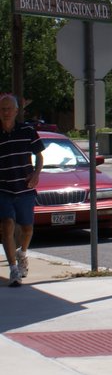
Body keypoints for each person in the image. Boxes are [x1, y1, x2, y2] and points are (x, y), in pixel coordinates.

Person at [0, 93, 43, 287]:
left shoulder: (27, 130)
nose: (6, 112)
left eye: (10, 109)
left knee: (27, 229)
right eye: (3, 109)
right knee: (7, 225)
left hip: (24, 188)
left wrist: (36, 174)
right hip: (4, 189)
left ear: (17, 111)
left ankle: (22, 253)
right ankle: (13, 269)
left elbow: (40, 156)